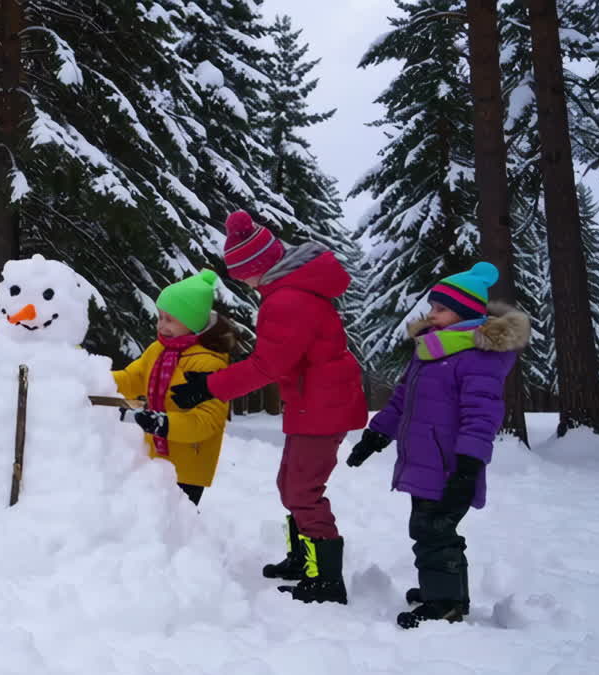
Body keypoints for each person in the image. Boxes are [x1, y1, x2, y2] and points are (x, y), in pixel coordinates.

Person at [169, 210, 367, 604]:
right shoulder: (289, 292)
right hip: (313, 403)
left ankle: (325, 578)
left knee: (302, 492)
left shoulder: (288, 301)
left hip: (321, 407)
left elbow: (269, 365)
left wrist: (209, 387)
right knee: (290, 486)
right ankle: (303, 558)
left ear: (256, 267)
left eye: (242, 274)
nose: (242, 282)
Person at [345, 262, 528, 628]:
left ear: (464, 313)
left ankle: (445, 604)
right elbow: (402, 401)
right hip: (424, 462)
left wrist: (469, 464)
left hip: (451, 465)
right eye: (432, 307)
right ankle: (443, 592)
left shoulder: (478, 357)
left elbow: (482, 416)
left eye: (441, 309)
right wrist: (376, 434)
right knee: (429, 528)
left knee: (435, 530)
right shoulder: (430, 351)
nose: (431, 314)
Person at [111, 270, 234, 505]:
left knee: (174, 527)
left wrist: (162, 423)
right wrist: (91, 378)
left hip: (188, 467)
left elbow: (207, 421)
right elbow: (131, 378)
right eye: (160, 317)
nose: (161, 325)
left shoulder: (208, 362)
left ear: (192, 321)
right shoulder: (158, 349)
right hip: (155, 458)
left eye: (170, 319)